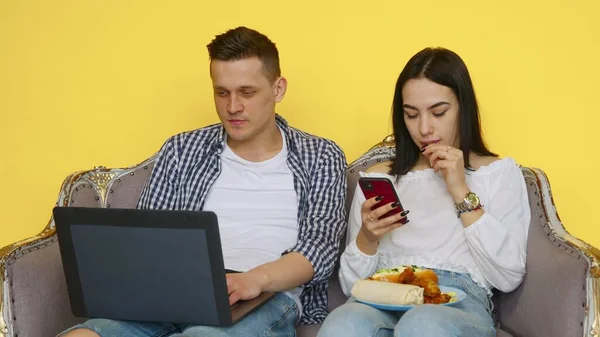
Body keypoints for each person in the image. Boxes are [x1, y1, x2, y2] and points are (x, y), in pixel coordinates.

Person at [59, 26, 347, 337]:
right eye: (222, 92)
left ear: (278, 89)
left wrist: (253, 280)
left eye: (247, 92)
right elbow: (150, 238)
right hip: (174, 294)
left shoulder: (321, 155)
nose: (232, 106)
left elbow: (320, 248)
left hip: (267, 296)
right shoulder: (183, 149)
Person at [317, 47, 530, 337]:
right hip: (384, 293)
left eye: (439, 112)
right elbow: (351, 286)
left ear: (463, 108)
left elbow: (508, 276)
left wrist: (459, 190)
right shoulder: (381, 177)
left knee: (422, 324)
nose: (425, 128)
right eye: (411, 114)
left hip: (457, 302)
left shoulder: (497, 173)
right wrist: (368, 237)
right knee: (343, 323)